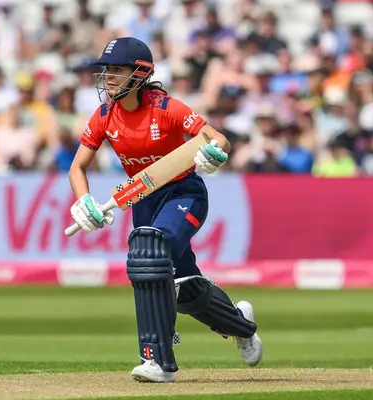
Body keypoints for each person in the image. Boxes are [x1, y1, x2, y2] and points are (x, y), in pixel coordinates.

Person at [67, 37, 263, 383]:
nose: (108, 77)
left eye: (116, 70)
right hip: (143, 199)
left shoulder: (166, 108)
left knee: (150, 252)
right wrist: (82, 201)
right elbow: (77, 167)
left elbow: (218, 139)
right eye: (106, 70)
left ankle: (157, 359)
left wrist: (212, 154)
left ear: (140, 73)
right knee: (184, 288)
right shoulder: (103, 116)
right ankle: (240, 324)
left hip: (183, 193)